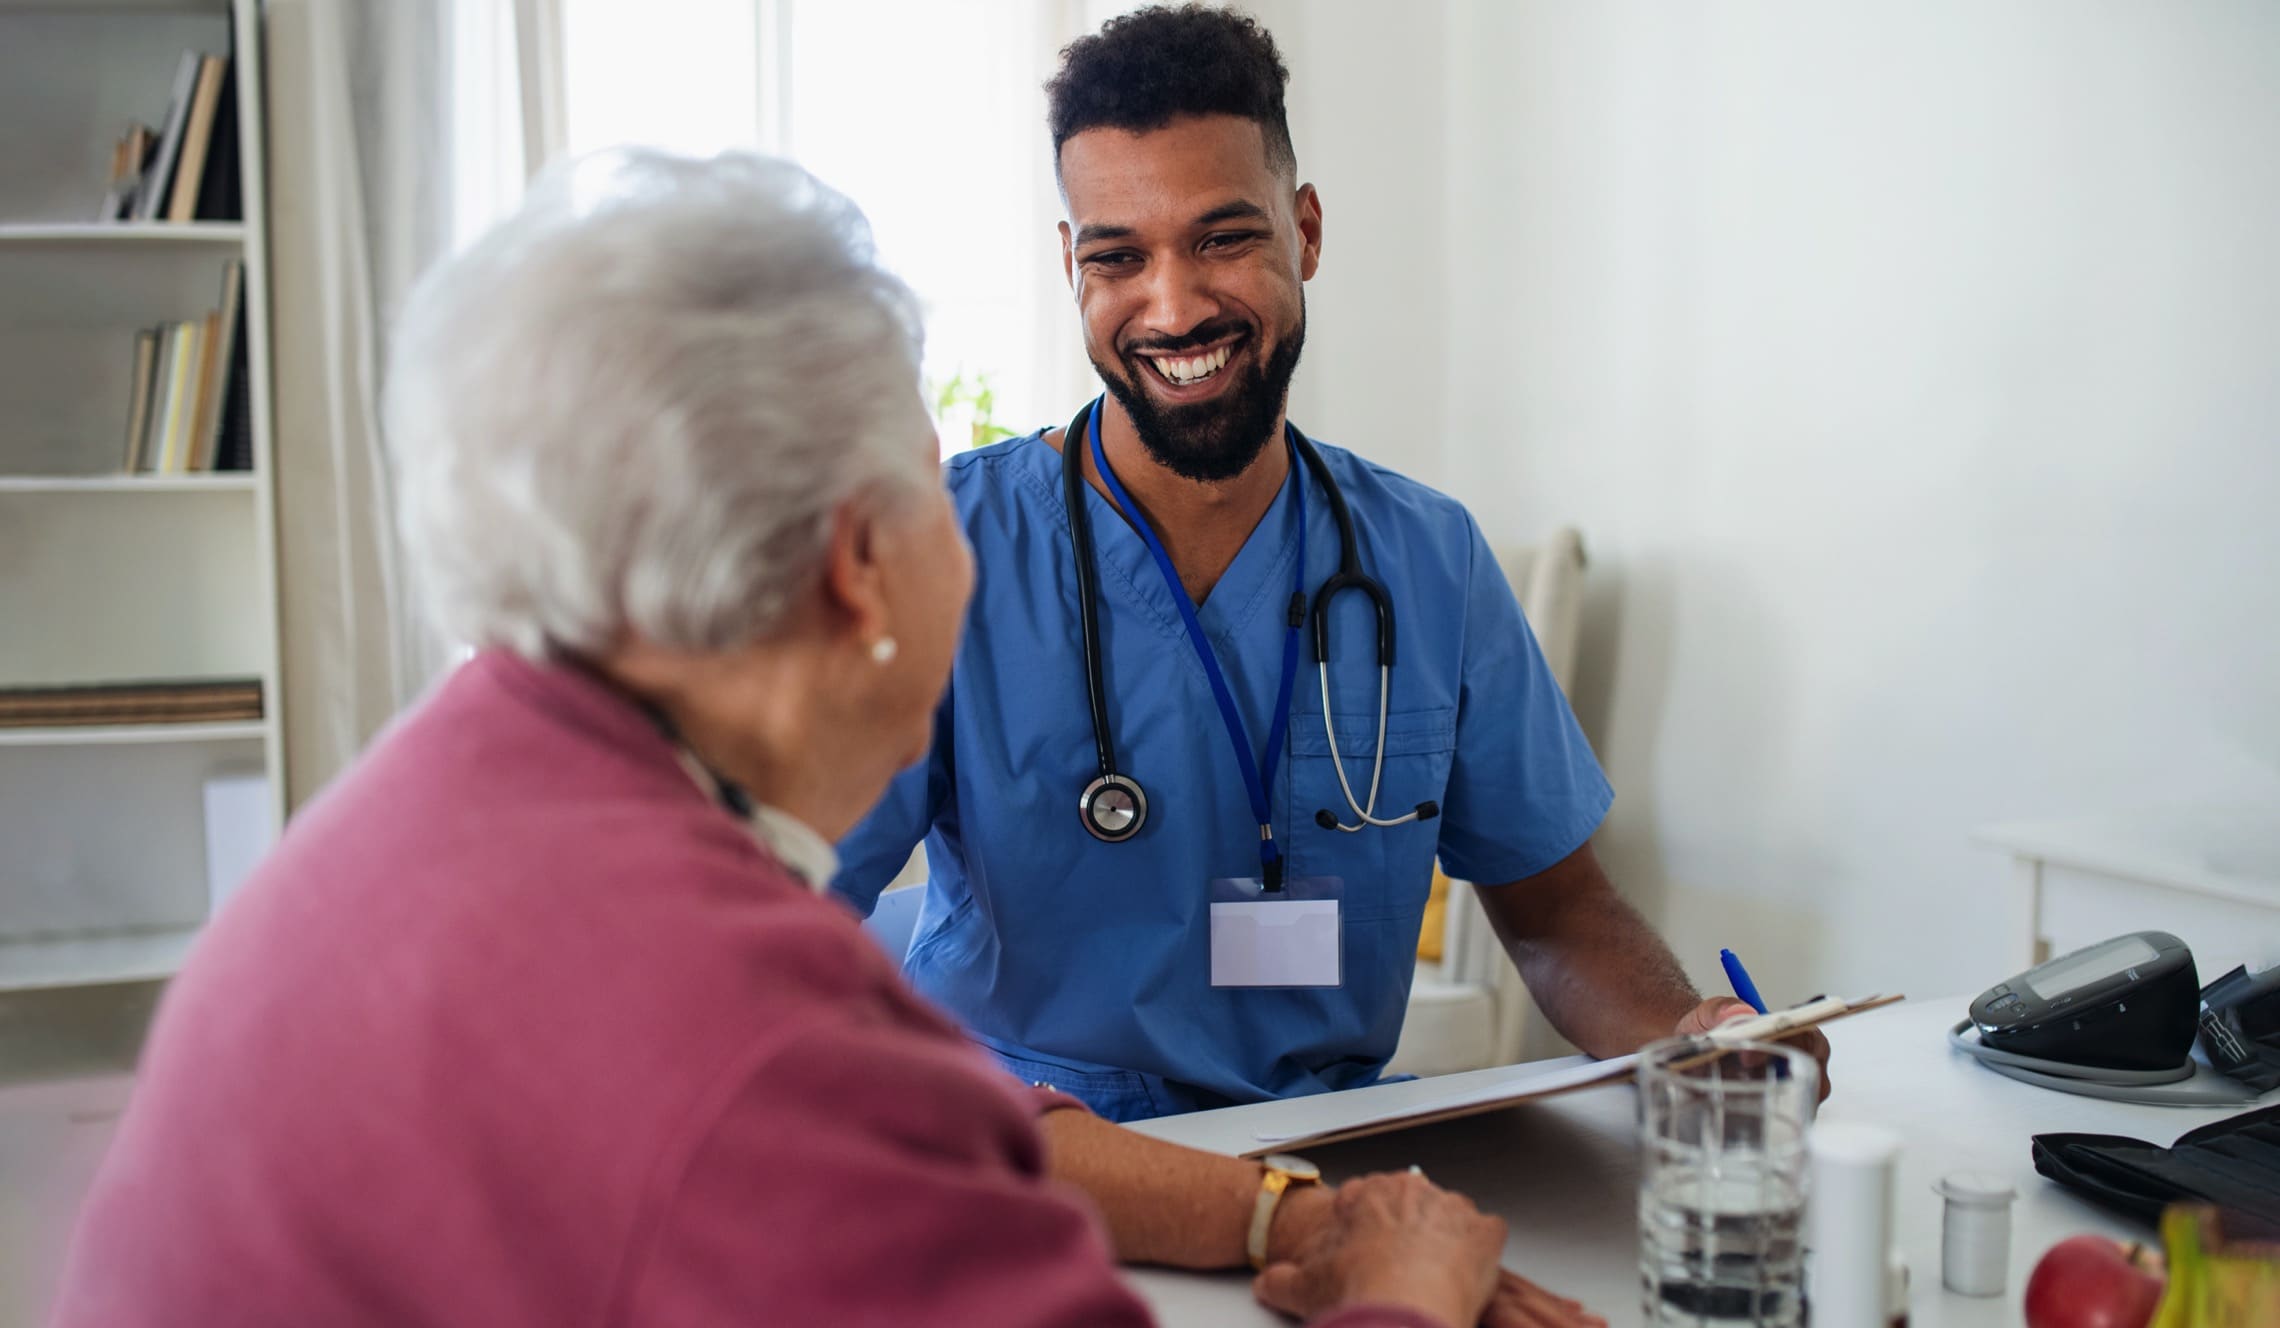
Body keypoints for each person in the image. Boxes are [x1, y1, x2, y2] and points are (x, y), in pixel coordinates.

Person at [48, 150, 1590, 1328]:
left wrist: (1276, 1221)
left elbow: (892, 1066)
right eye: (937, 483)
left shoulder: (461, 786)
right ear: (863, 556)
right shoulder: (753, 1046)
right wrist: (1399, 1290)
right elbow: (814, 1081)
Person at [834, 3, 1831, 1122]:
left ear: (1305, 230)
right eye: (1119, 257)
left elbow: (1556, 914)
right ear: (1071, 266)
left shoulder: (1428, 559)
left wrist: (1688, 1032)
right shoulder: (944, 548)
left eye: (1223, 238)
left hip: (1325, 1144)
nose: (1174, 306)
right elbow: (790, 908)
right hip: (1027, 1153)